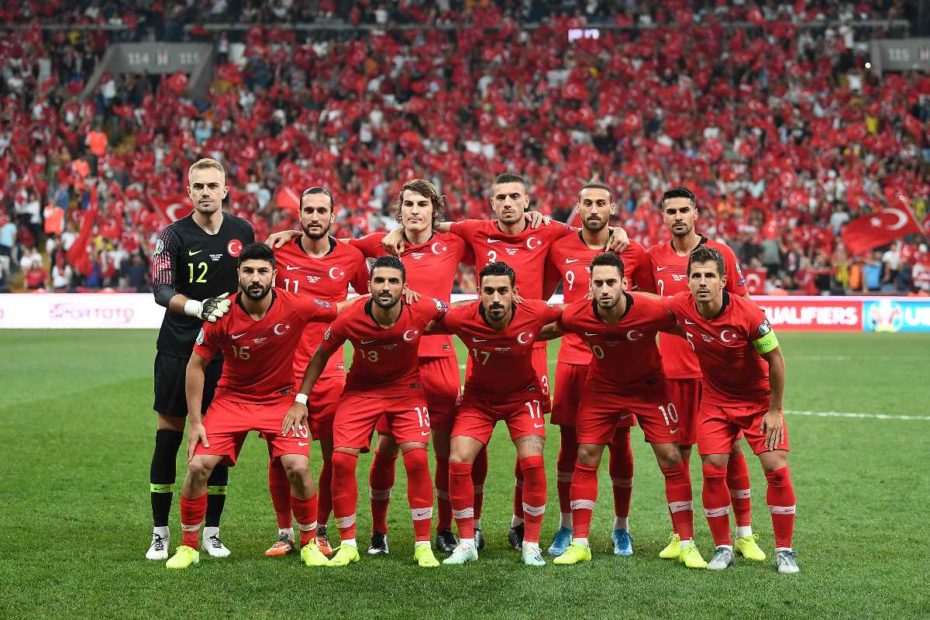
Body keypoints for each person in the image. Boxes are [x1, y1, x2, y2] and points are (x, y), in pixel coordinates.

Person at [381, 172, 628, 550]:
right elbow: (435, 225)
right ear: (492, 203)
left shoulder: (551, 231)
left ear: (527, 201)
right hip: (485, 346)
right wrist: (400, 230)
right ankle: (473, 525)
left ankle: (517, 524)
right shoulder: (475, 230)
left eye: (516, 196)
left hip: (533, 347)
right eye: (502, 197)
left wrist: (621, 232)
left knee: (528, 447)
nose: (509, 203)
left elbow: (590, 227)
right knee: (472, 445)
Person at [164, 242, 344, 569]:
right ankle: (189, 546)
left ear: (274, 275)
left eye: (262, 271)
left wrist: (391, 295)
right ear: (238, 275)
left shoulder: (297, 305)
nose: (255, 278)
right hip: (232, 400)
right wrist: (196, 421)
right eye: (248, 271)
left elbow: (340, 308)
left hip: (280, 400)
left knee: (299, 467)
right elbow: (196, 366)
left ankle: (308, 543)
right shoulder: (221, 313)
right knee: (197, 467)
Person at [287, 256, 449, 568]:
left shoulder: (423, 307)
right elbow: (321, 355)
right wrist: (301, 399)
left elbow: (453, 312)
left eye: (392, 281)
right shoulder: (350, 318)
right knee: (341, 459)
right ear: (369, 285)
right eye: (379, 281)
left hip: (407, 391)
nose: (385, 287)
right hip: (361, 391)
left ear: (404, 287)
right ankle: (348, 543)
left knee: (416, 457)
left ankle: (423, 545)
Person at [549, 252, 705, 569]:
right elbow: (544, 327)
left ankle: (686, 542)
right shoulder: (578, 313)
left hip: (649, 388)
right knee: (586, 455)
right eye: (598, 283)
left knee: (672, 457)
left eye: (610, 282)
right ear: (589, 287)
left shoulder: (651, 309)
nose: (604, 289)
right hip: (601, 388)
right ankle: (580, 543)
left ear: (624, 283)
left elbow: (688, 325)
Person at [348, 179, 473, 555]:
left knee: (444, 450)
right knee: (387, 449)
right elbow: (338, 252)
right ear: (398, 210)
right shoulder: (381, 244)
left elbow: (496, 236)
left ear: (435, 209)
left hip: (439, 359)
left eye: (422, 204)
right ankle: (379, 533)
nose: (415, 211)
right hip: (395, 362)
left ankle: (445, 528)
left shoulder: (454, 243)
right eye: (408, 204)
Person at [647, 186, 764, 564]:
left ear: (697, 213)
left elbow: (744, 306)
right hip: (671, 372)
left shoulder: (722, 254)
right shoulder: (653, 259)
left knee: (729, 452)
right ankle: (681, 536)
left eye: (684, 210)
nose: (678, 216)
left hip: (716, 375)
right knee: (677, 455)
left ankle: (744, 533)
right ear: (663, 217)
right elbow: (648, 306)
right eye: (671, 211)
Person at [666, 246, 798, 574]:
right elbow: (647, 305)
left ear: (723, 280)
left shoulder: (750, 315)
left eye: (709, 275)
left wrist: (774, 410)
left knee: (776, 468)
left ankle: (785, 551)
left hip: (757, 403)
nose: (702, 282)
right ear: (687, 280)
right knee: (712, 467)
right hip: (715, 402)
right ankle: (723, 546)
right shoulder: (682, 307)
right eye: (696, 276)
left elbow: (776, 360)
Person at [147, 158, 254, 561]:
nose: (206, 192)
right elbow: (161, 290)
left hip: (225, 354)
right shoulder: (171, 235)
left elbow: (258, 273)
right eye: (198, 186)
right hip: (178, 349)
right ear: (188, 192)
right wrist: (198, 309)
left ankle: (211, 532)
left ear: (226, 189)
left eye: (213, 185)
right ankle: (160, 533)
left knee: (216, 438)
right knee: (170, 437)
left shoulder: (242, 232)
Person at [543, 182, 653, 557]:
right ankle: (566, 524)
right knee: (570, 443)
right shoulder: (559, 246)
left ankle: (621, 527)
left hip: (617, 362)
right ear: (577, 207)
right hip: (573, 359)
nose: (593, 209)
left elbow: (649, 302)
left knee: (620, 442)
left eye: (601, 203)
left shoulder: (633, 251)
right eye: (587, 203)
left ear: (612, 208)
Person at [263, 187, 369, 558]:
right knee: (281, 456)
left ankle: (321, 529)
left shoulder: (351, 257)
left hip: (331, 374)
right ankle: (284, 531)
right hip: (282, 374)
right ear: (299, 216)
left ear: (332, 216)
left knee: (332, 456)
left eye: (321, 210)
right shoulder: (278, 252)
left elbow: (366, 305)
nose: (313, 216)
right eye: (307, 210)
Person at [436, 262, 562, 567]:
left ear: (515, 293)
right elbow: (423, 321)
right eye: (489, 291)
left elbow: (572, 317)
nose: (495, 298)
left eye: (502, 291)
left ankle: (530, 544)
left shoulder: (534, 311)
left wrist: (537, 334)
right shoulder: (462, 316)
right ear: (478, 293)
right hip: (479, 400)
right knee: (458, 459)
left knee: (532, 461)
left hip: (523, 397)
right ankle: (467, 542)